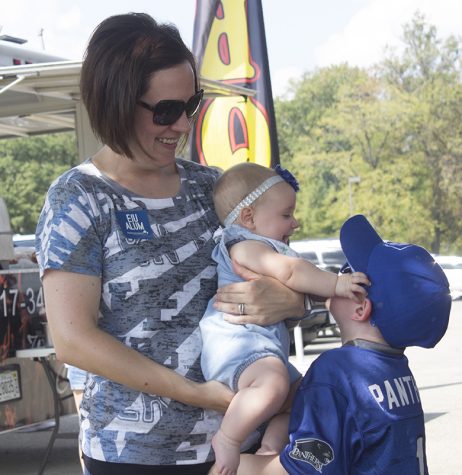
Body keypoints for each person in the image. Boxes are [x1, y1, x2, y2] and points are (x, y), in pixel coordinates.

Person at [35, 13, 308, 475]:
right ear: (116, 102)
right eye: (165, 111)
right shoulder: (79, 198)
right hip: (138, 454)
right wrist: (197, 393)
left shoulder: (215, 188)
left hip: (244, 451)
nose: (182, 125)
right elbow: (73, 340)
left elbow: (285, 278)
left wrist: (288, 300)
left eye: (192, 104)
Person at [235, 214, 452, 475]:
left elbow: (304, 470)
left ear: (361, 308)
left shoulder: (338, 371)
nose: (336, 276)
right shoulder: (397, 371)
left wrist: (243, 466)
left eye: (349, 273)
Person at [200, 163, 370, 475]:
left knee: (302, 392)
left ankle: (270, 448)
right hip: (236, 345)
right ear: (248, 217)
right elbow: (292, 272)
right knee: (273, 384)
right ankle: (227, 438)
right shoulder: (244, 244)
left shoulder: (263, 243)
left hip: (260, 349)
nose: (296, 223)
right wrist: (337, 284)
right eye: (286, 214)